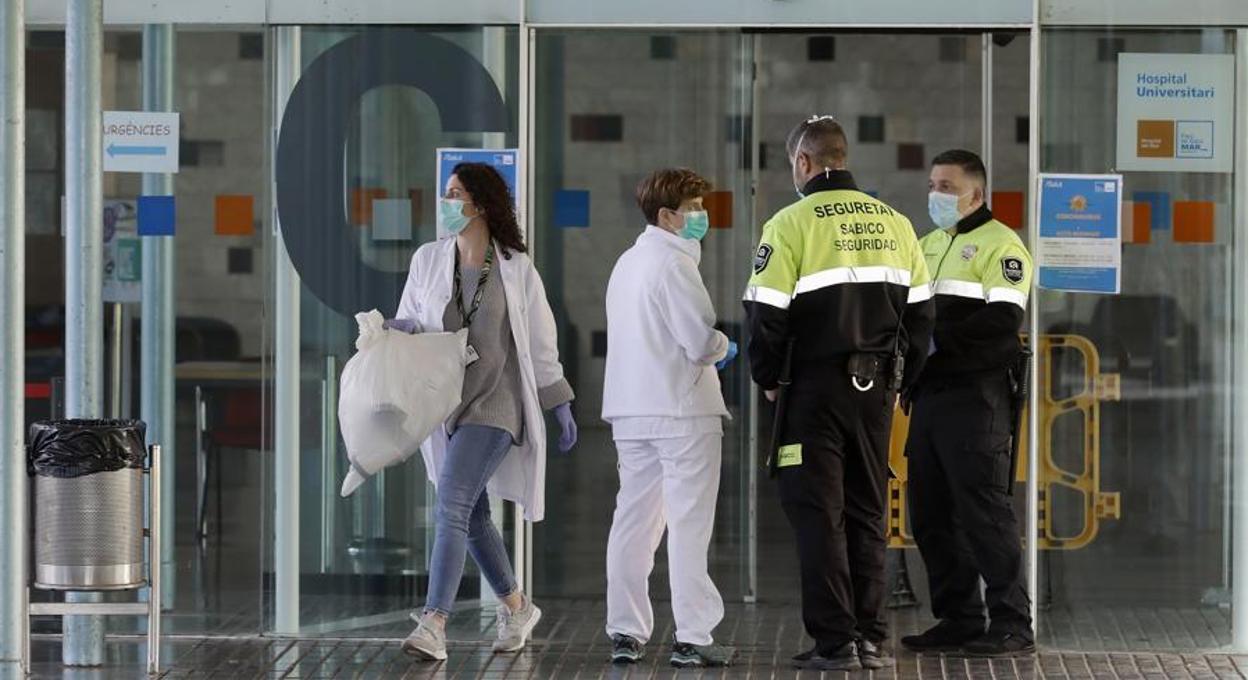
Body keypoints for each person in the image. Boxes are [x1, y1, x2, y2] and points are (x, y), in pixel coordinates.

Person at [742, 116, 935, 671]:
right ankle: (870, 636)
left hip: (812, 392)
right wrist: (903, 383)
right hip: (876, 393)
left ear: (804, 162)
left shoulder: (790, 223)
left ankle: (835, 642)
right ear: (842, 158)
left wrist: (769, 379)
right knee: (868, 510)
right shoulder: (897, 224)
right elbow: (923, 317)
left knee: (817, 511)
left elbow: (765, 317)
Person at [390, 162, 579, 661]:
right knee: (472, 516)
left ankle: (434, 622)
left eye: (455, 194)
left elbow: (540, 341)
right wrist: (394, 331)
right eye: (446, 193)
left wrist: (556, 399)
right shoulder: (430, 259)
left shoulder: (515, 266)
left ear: (481, 203)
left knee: (450, 503)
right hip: (445, 405)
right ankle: (517, 606)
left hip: (497, 404)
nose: (447, 202)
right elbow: (412, 317)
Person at [601, 168, 739, 669]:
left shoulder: (627, 262)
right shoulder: (674, 264)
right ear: (666, 216)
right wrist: (726, 347)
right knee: (689, 524)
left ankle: (625, 630)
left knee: (633, 521)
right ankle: (693, 635)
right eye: (694, 208)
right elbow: (700, 341)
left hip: (631, 410)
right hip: (681, 410)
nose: (701, 217)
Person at [902, 149, 1035, 657]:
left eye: (947, 187)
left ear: (976, 194)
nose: (936, 195)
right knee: (931, 514)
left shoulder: (1001, 244)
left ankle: (1011, 623)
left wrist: (933, 343)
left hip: (976, 397)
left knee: (984, 512)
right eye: (933, 185)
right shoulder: (928, 243)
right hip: (930, 395)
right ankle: (958, 618)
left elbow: (1002, 321)